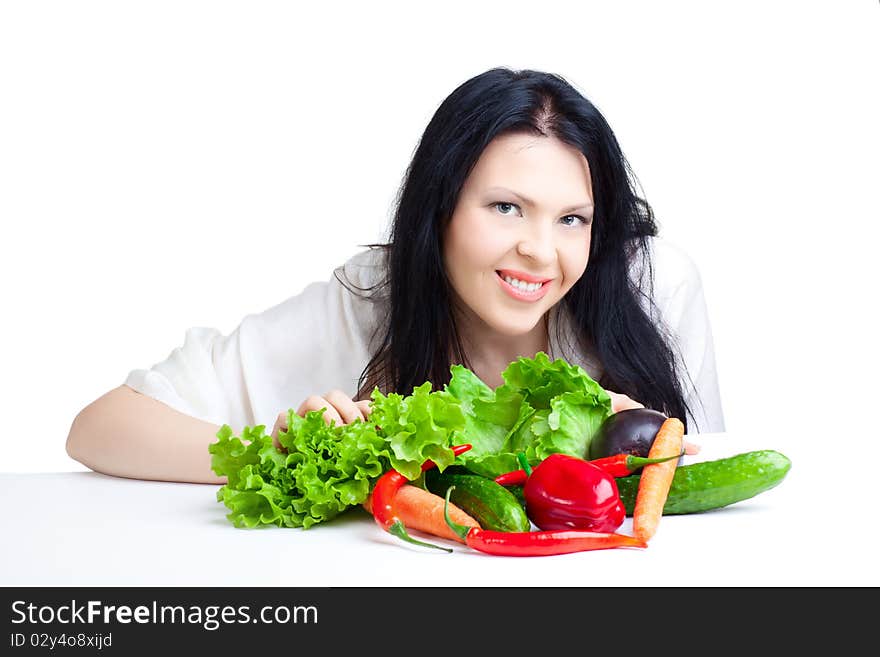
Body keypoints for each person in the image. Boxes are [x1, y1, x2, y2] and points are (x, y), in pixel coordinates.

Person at [66, 67, 724, 485]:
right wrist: (276, 447)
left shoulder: (654, 284)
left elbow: (716, 477)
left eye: (572, 219)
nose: (540, 251)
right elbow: (100, 428)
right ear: (439, 208)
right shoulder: (371, 297)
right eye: (505, 207)